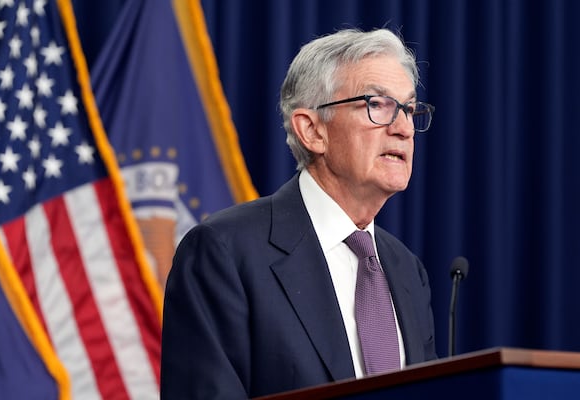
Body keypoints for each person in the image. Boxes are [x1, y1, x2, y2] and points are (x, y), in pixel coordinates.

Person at [161, 28, 437, 399]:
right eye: (378, 105)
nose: (403, 128)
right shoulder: (225, 253)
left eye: (408, 109)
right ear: (312, 130)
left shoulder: (407, 271)